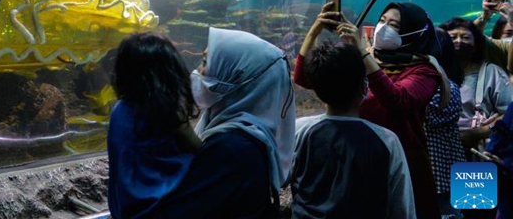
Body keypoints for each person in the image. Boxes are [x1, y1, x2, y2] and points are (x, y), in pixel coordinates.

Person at [294, 1, 446, 219]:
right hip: (354, 150)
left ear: (413, 32)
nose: (384, 28)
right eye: (382, 21)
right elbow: (305, 78)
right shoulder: (368, 57)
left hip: (401, 154)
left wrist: (363, 54)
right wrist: (315, 30)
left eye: (394, 25)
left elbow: (398, 99)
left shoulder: (424, 70)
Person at [167, 27, 295, 218]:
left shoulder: (233, 147)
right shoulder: (245, 134)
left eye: (205, 63)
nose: (198, 72)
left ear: (238, 76)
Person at [290, 40, 415, 218]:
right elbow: (402, 207)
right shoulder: (387, 140)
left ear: (317, 92)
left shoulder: (299, 130)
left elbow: (279, 179)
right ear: (364, 86)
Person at [106, 32, 201, 219]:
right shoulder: (168, 111)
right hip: (169, 205)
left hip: (128, 209)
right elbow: (199, 151)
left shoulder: (120, 111)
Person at [439, 17, 513, 155]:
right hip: (439, 151)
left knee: (472, 177)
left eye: (466, 37)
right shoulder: (434, 74)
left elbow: (509, 113)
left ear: (476, 44)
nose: (459, 42)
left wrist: (480, 132)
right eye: (453, 37)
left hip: (479, 152)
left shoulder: (492, 73)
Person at [425, 28, 466, 219]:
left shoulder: (448, 88)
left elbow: (427, 116)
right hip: (448, 167)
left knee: (452, 212)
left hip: (446, 171)